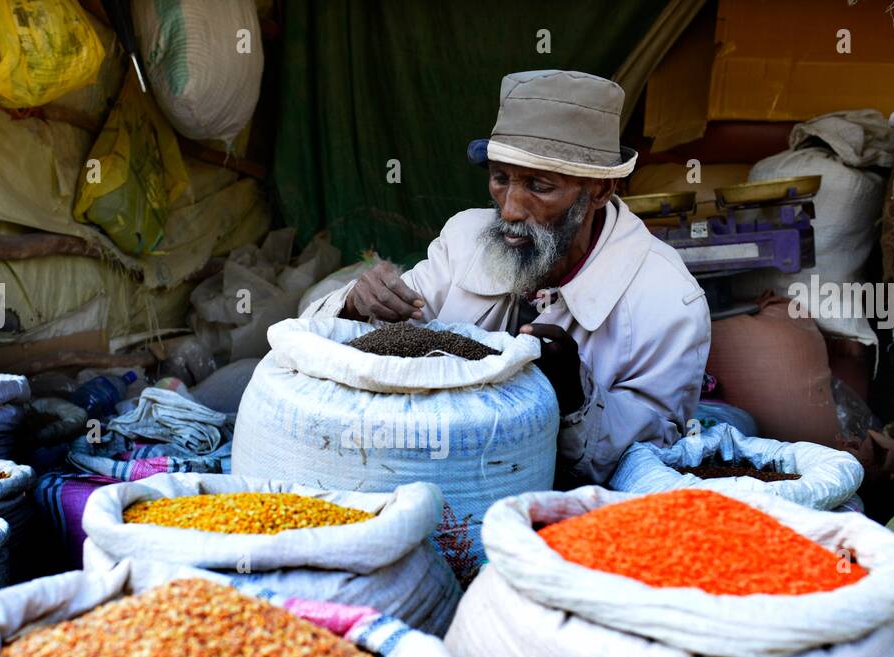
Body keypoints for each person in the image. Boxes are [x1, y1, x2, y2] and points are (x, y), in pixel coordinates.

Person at [303, 69, 711, 487]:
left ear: (600, 191)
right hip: (435, 478)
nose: (512, 209)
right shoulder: (463, 240)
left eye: (539, 185)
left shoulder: (667, 299)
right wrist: (354, 305)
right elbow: (372, 333)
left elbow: (655, 456)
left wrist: (577, 398)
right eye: (501, 179)